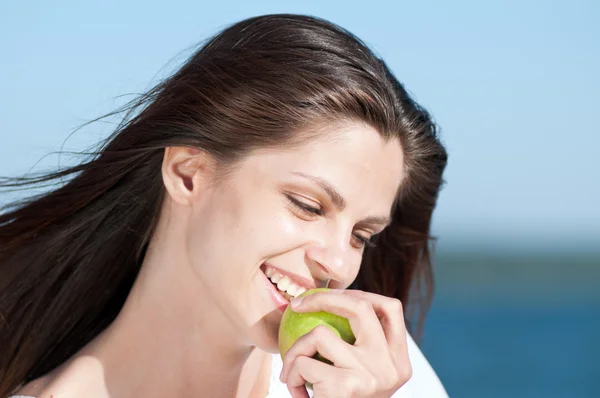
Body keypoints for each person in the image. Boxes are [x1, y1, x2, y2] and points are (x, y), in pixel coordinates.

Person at [0, 13, 448, 398]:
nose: (336, 263)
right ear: (187, 174)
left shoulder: (373, 379)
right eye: (307, 205)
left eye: (360, 236)